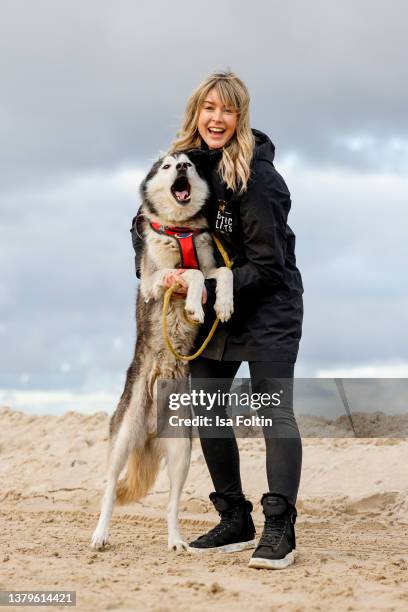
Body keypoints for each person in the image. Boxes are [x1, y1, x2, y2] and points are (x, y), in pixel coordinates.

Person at [134, 71, 303, 570]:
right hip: (213, 309)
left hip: (269, 307)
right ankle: (235, 518)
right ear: (196, 112)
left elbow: (269, 267)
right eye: (209, 107)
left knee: (273, 413)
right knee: (204, 407)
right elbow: (142, 223)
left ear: (240, 117)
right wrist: (160, 275)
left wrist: (203, 285)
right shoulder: (182, 166)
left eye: (227, 110)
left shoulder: (260, 179)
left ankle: (279, 527)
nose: (217, 117)